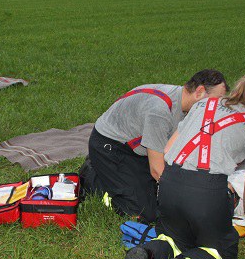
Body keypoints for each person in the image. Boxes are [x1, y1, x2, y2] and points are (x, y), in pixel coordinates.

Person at [105, 75, 245, 259]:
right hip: (208, 191)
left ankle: (146, 254)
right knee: (222, 247)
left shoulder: (204, 104)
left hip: (170, 183)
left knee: (173, 238)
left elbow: (170, 148)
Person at [79, 69, 228, 225]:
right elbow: (157, 170)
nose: (217, 109)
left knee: (159, 196)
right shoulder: (160, 111)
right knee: (145, 213)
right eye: (216, 101)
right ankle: (92, 175)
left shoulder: (185, 103)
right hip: (109, 147)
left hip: (139, 149)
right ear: (199, 92)